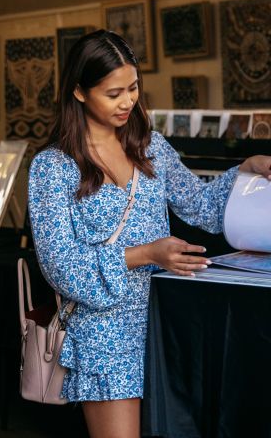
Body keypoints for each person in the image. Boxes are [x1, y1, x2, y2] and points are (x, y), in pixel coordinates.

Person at [28, 29, 271, 438]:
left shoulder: (151, 146)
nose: (128, 102)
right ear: (80, 92)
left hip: (167, 323)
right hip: (107, 333)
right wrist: (144, 254)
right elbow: (60, 268)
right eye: (113, 93)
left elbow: (202, 207)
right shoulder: (53, 167)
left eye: (134, 87)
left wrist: (245, 170)